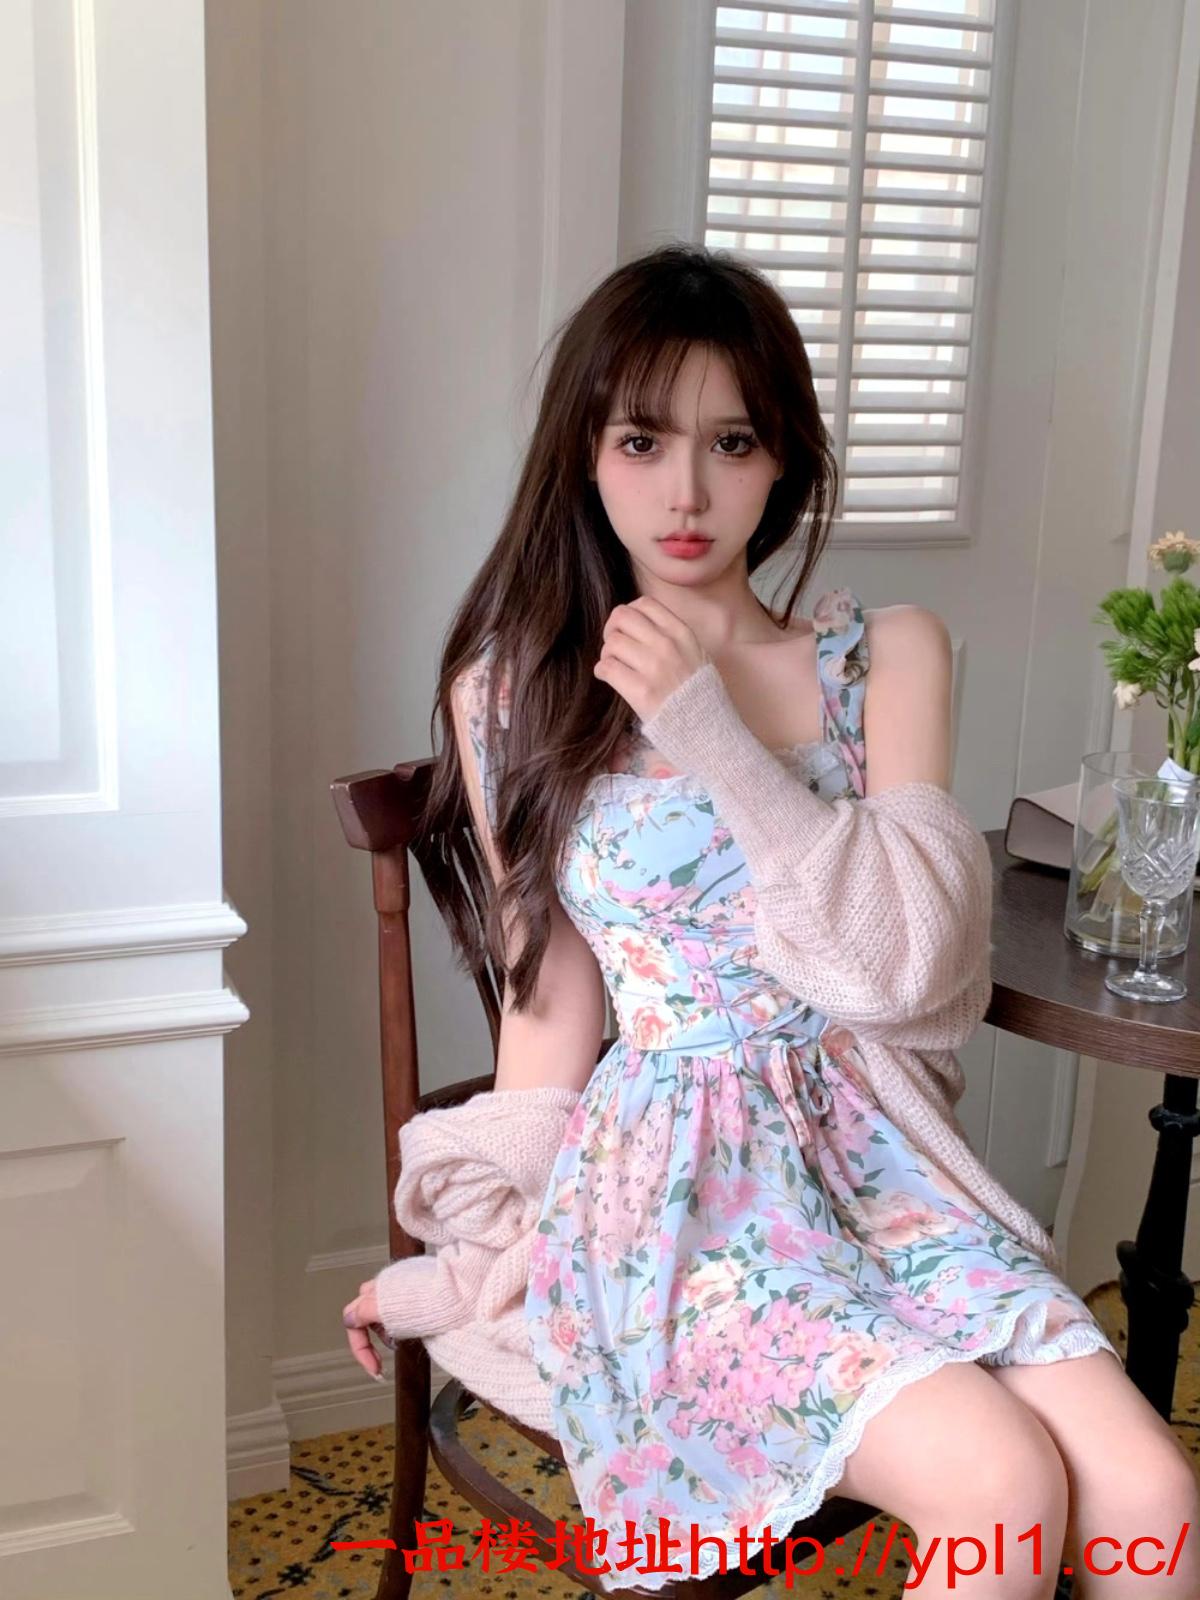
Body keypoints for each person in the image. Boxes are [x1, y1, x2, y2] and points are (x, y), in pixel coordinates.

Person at [342, 243, 1199, 1596]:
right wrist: (483, 1257)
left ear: (783, 457)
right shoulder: (512, 693)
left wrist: (712, 734)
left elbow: (909, 969)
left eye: (731, 441)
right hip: (675, 1190)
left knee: (1155, 1495)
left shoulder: (888, 656)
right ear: (585, 454)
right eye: (642, 440)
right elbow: (547, 1012)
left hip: (880, 1160)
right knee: (1002, 1485)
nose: (686, 491)